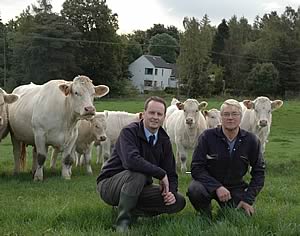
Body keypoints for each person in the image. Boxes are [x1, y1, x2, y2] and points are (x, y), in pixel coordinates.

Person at [96, 96, 186, 232]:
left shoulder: (164, 140)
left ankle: (130, 210)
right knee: (138, 174)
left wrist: (171, 192)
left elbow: (171, 173)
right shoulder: (129, 132)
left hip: (139, 186)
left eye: (159, 114)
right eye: (151, 112)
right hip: (110, 185)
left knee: (178, 201)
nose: (155, 117)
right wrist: (160, 174)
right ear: (143, 114)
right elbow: (131, 161)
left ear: (164, 117)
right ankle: (122, 224)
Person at [187, 99, 265, 218]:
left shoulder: (251, 140)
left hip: (235, 186)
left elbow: (259, 172)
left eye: (234, 114)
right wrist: (217, 187)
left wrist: (247, 199)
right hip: (207, 184)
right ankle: (205, 214)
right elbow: (196, 168)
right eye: (226, 114)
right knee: (195, 190)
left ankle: (231, 207)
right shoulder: (207, 137)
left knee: (241, 216)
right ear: (221, 117)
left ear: (240, 117)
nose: (230, 118)